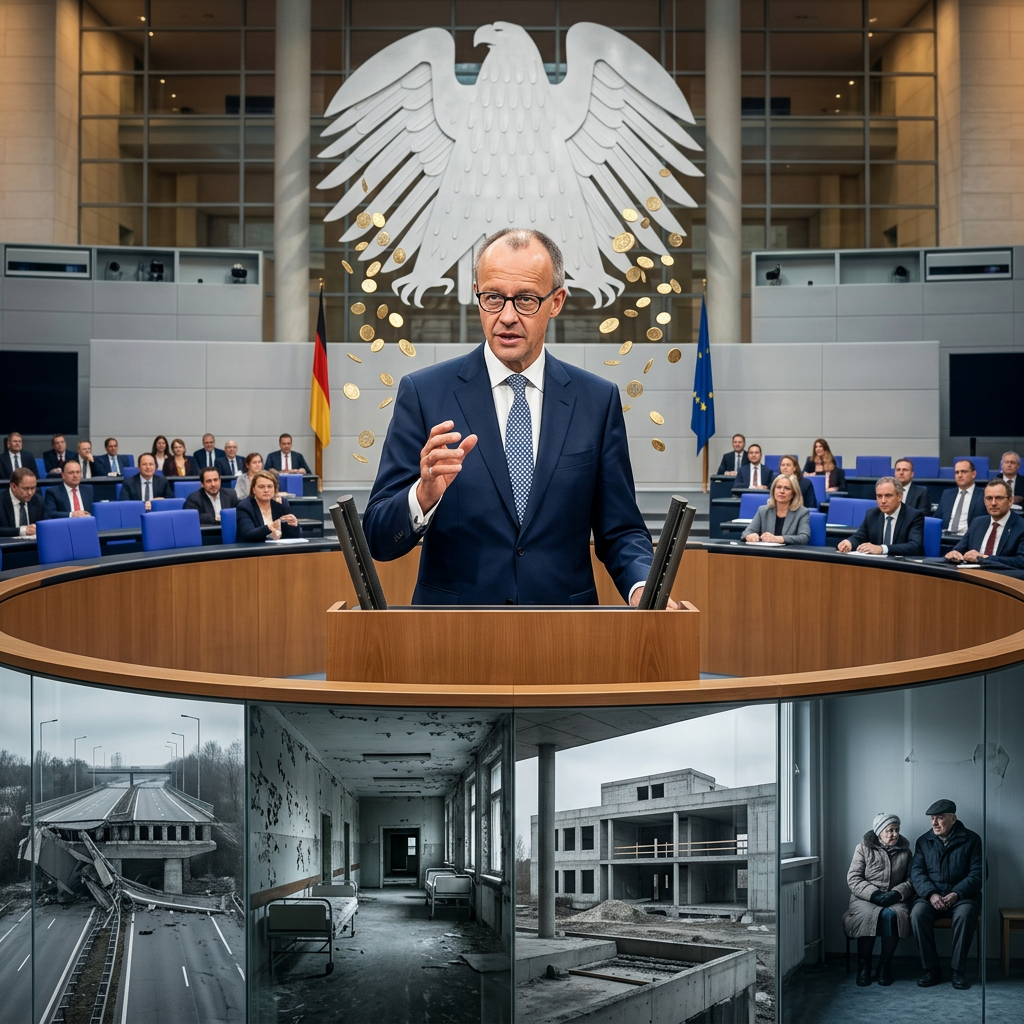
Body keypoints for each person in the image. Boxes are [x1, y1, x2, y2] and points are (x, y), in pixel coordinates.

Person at [363, 227, 657, 606]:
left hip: (567, 636)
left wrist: (643, 589)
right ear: (477, 296)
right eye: (493, 298)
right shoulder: (423, 394)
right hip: (450, 637)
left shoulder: (596, 401)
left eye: (526, 300)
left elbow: (620, 531)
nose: (506, 317)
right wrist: (423, 496)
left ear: (557, 301)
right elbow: (378, 539)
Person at [910, 799, 982, 990]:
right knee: (917, 914)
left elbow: (979, 873)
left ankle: (958, 971)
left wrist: (956, 893)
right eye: (932, 818)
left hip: (962, 897)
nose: (934, 823)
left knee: (966, 914)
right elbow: (916, 873)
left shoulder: (972, 839)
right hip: (930, 896)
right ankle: (931, 969)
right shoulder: (923, 841)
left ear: (953, 818)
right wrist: (931, 894)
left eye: (940, 818)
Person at [843, 812, 914, 987]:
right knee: (866, 915)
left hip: (894, 897)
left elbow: (913, 879)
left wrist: (896, 894)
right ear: (879, 832)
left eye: (897, 830)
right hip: (864, 898)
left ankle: (885, 965)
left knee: (894, 915)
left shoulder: (906, 851)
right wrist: (874, 894)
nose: (894, 834)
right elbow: (853, 878)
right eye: (889, 830)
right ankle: (864, 966)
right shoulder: (863, 848)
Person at [837, 476, 925, 556]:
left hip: (903, 567)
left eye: (888, 496)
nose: (883, 501)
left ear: (899, 496)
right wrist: (849, 543)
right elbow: (860, 536)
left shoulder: (914, 516)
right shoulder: (872, 514)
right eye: (879, 496)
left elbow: (915, 546)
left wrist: (882, 549)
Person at [944, 478, 1024, 564]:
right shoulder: (977, 522)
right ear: (984, 501)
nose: (993, 503)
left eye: (999, 498)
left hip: (1001, 576)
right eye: (989, 498)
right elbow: (959, 549)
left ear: (1010, 501)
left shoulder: (1021, 526)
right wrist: (955, 553)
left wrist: (985, 558)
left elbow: (1021, 561)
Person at [741, 474, 810, 545]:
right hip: (766, 554)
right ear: (773, 490)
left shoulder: (802, 512)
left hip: (789, 554)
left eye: (787, 488)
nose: (782, 491)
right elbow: (746, 533)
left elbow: (803, 538)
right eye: (778, 487)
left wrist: (777, 539)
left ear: (793, 493)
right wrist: (751, 536)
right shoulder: (763, 511)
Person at [236, 470, 299, 541]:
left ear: (275, 489)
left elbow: (292, 537)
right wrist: (270, 527)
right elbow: (248, 534)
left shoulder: (281, 504)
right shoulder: (245, 506)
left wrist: (294, 526)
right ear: (253, 489)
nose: (266, 490)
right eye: (261, 487)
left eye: (270, 486)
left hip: (279, 549)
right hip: (254, 549)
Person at [936, 459, 985, 536]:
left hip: (970, 539)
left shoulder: (984, 495)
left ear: (974, 474)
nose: (959, 475)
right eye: (957, 472)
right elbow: (937, 519)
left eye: (964, 472)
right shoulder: (947, 494)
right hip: (946, 538)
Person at [0, 468, 45, 537]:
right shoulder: (2, 500)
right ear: (13, 486)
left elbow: (45, 525)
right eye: (26, 489)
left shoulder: (38, 500)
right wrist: (23, 530)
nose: (30, 493)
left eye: (33, 488)